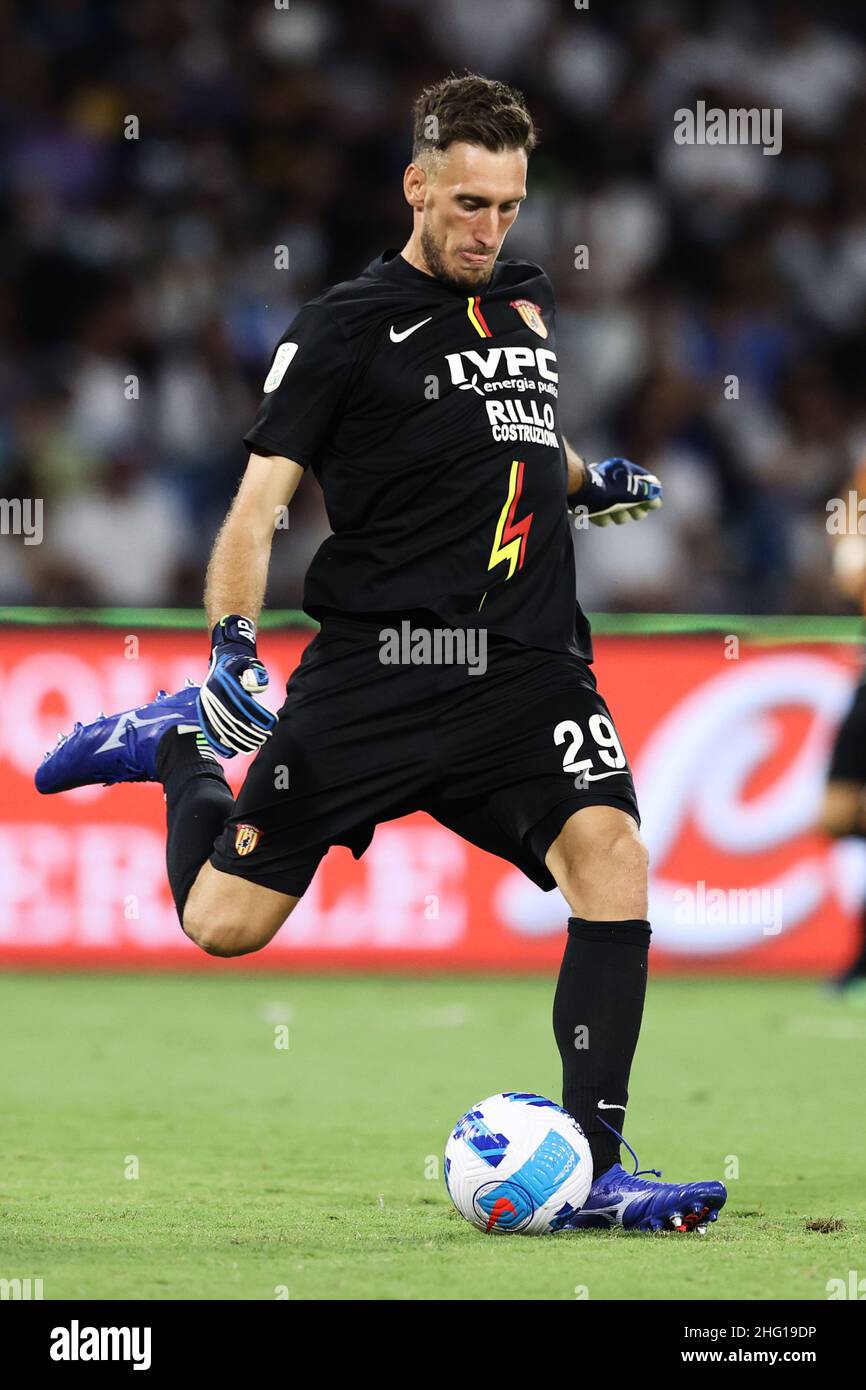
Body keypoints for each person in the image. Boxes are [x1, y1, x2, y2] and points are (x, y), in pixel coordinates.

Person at [37, 74, 725, 1233]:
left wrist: (584, 479)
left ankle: (599, 1164)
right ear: (416, 187)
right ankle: (177, 759)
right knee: (222, 926)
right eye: (466, 203)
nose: (487, 228)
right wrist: (232, 643)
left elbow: (517, 433)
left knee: (609, 855)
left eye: (506, 206)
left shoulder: (523, 303)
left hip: (524, 667)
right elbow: (257, 507)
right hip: (378, 675)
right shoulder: (342, 328)